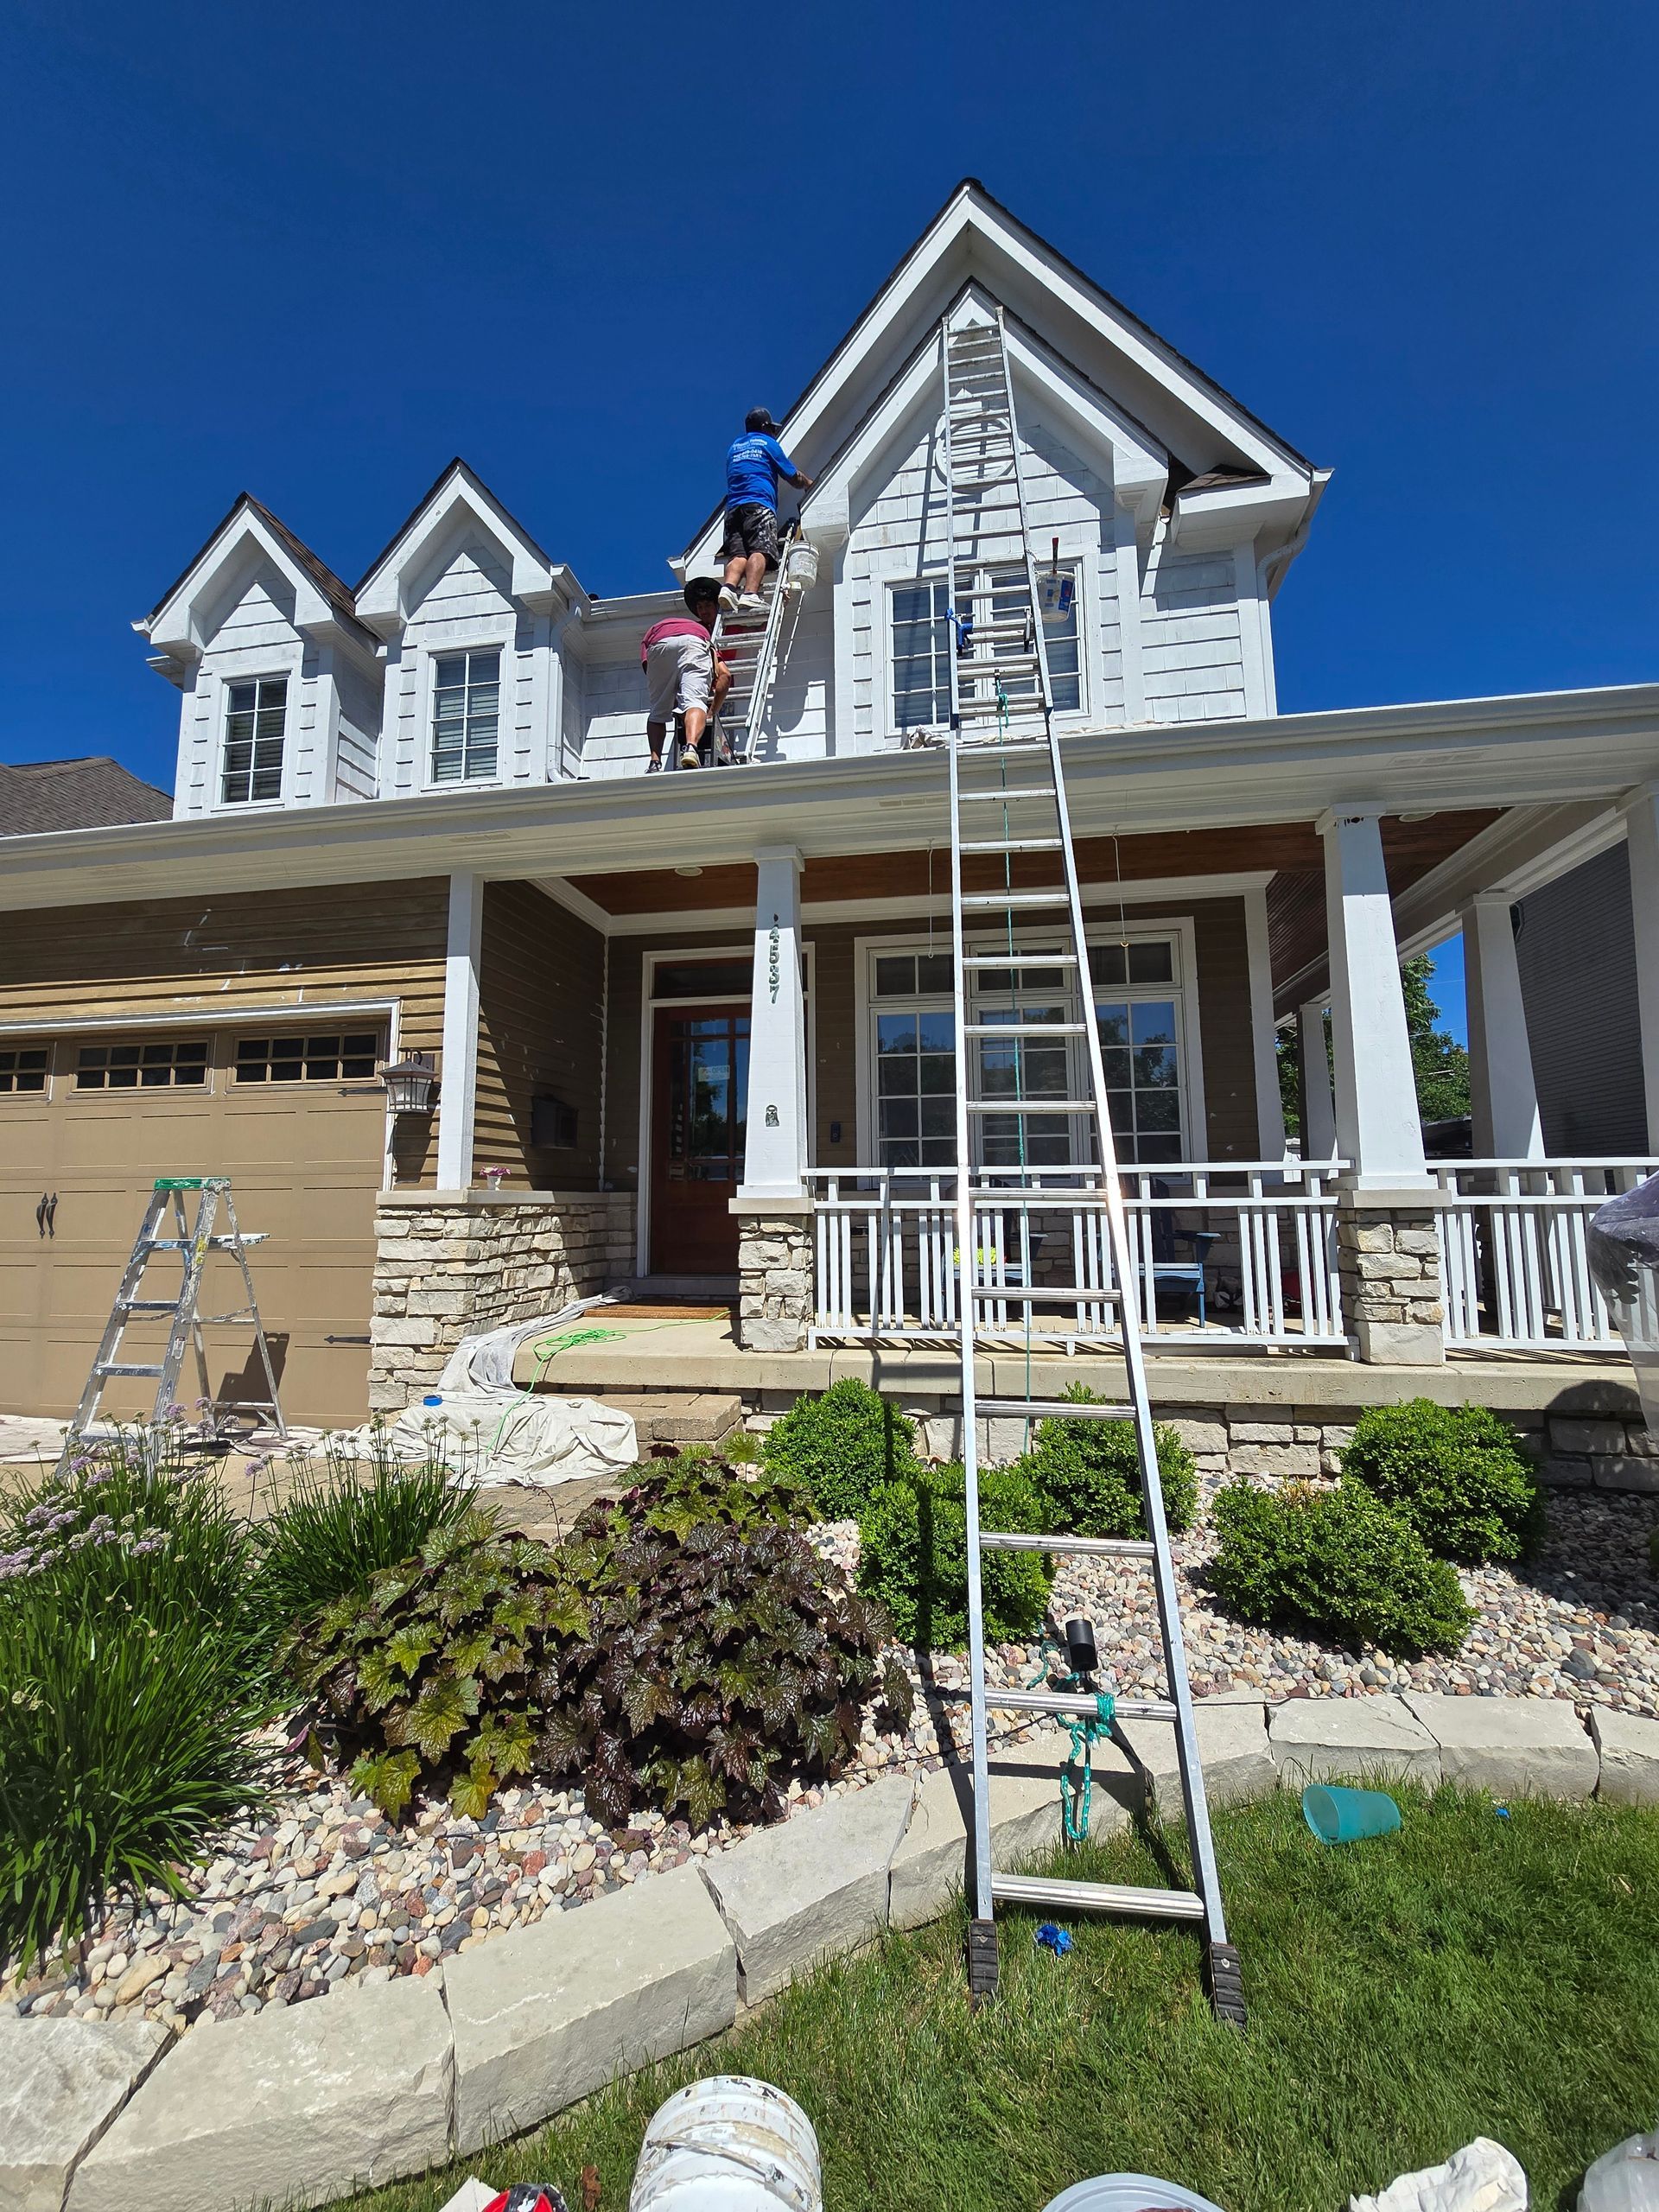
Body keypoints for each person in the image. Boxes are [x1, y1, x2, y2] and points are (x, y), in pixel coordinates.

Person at [720, 407, 813, 611]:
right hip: (758, 504)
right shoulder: (767, 443)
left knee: (738, 556)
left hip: (733, 509)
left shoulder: (734, 448)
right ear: (764, 427)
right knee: (760, 549)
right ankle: (750, 594)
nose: (773, 433)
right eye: (771, 428)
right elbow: (793, 476)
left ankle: (728, 588)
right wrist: (809, 484)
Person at [641, 579, 730, 772]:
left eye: (708, 606)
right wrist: (711, 712)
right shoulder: (700, 632)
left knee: (658, 710)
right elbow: (725, 676)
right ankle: (691, 748)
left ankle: (655, 762)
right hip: (693, 642)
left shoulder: (691, 626)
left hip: (656, 640)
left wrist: (670, 701)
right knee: (695, 702)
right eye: (700, 607)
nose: (704, 611)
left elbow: (650, 668)